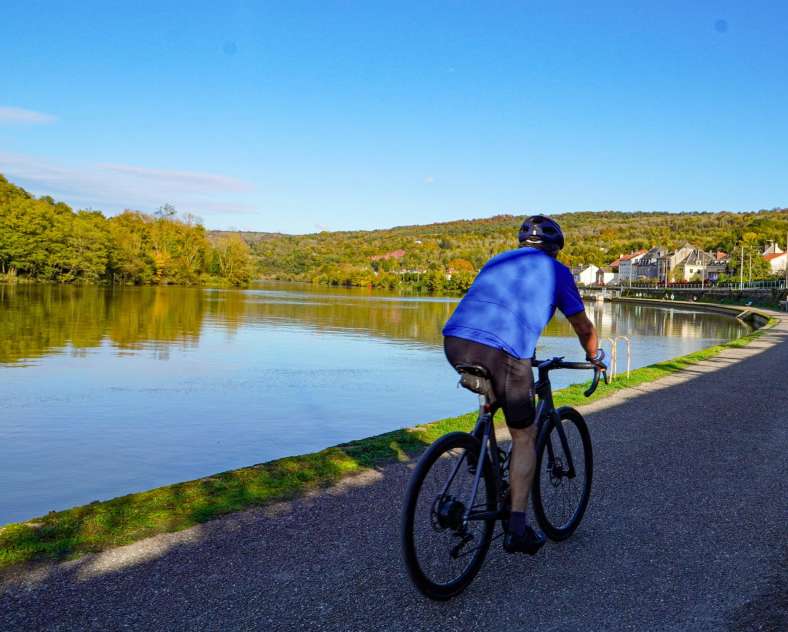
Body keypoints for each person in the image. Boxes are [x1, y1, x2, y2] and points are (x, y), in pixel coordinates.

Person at [442, 214, 605, 555]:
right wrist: (594, 357)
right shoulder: (555, 271)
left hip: (455, 340)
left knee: (494, 388)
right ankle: (517, 526)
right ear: (555, 249)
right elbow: (583, 326)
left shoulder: (498, 260)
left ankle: (479, 453)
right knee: (524, 434)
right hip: (504, 350)